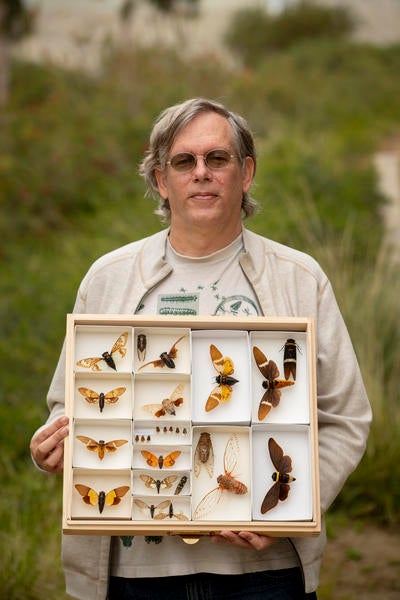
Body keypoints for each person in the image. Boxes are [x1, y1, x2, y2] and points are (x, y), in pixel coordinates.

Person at [30, 97, 371, 600]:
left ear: (246, 172)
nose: (201, 174)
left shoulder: (300, 279)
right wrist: (51, 447)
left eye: (218, 159)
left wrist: (289, 508)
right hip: (133, 577)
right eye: (184, 161)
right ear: (162, 180)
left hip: (265, 574)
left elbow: (345, 416)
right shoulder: (109, 278)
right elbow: (69, 405)